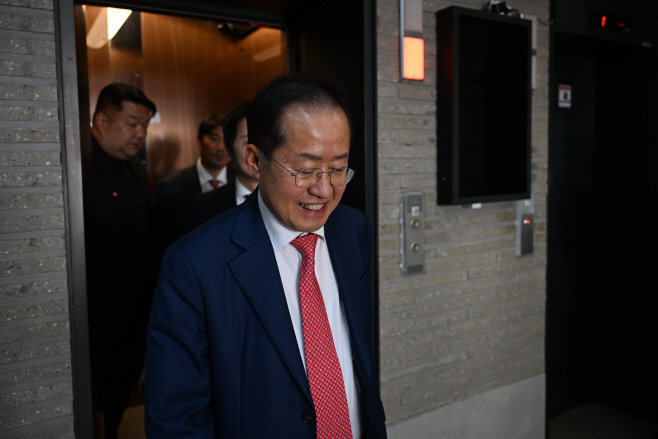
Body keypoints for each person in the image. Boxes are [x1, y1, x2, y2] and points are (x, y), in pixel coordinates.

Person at [145, 74, 387, 438]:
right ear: (255, 160)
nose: (324, 190)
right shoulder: (194, 264)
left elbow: (355, 356)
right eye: (305, 170)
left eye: (337, 169)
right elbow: (176, 420)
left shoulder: (353, 230)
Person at [84, 82, 156, 439]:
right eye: (132, 123)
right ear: (102, 120)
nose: (140, 133)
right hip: (97, 323)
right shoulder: (80, 169)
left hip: (131, 318)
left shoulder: (131, 168)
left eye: (145, 125)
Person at [152, 113, 234, 253]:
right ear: (199, 140)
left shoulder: (243, 182)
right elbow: (160, 242)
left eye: (227, 140)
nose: (221, 147)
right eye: (214, 139)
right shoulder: (171, 187)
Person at [190, 101, 258, 228]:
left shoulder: (292, 201)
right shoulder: (205, 206)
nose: (258, 151)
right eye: (248, 142)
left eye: (265, 141)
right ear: (230, 150)